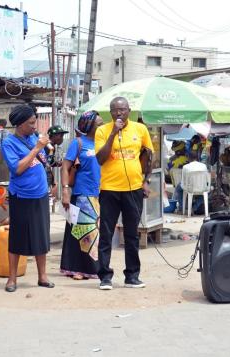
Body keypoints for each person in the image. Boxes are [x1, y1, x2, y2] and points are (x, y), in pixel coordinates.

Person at [95, 97, 154, 290]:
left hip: (133, 190)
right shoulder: (102, 131)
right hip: (110, 189)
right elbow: (101, 159)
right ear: (110, 113)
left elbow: (149, 156)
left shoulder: (140, 129)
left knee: (132, 235)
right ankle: (105, 277)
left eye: (122, 110)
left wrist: (146, 181)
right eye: (114, 110)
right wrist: (113, 133)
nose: (119, 113)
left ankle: (132, 276)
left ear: (129, 110)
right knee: (106, 234)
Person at [0, 104, 54, 292]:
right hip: (21, 195)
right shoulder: (9, 143)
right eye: (31, 123)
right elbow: (18, 168)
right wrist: (36, 148)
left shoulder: (34, 137)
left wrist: (46, 148)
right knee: (17, 237)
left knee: (41, 236)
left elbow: (45, 159)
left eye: (35, 122)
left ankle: (42, 276)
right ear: (20, 124)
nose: (34, 126)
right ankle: (12, 279)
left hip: (40, 194)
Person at [60, 111, 104, 280]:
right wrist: (65, 190)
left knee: (96, 232)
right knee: (83, 232)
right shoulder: (78, 143)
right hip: (82, 194)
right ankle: (80, 269)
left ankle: (92, 267)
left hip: (101, 193)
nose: (102, 126)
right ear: (89, 127)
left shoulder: (104, 143)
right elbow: (65, 167)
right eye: (99, 124)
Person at [45, 125, 69, 199]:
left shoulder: (52, 146)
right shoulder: (47, 146)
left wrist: (57, 163)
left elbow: (50, 162)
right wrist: (52, 182)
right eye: (60, 135)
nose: (62, 138)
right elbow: (46, 165)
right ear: (53, 136)